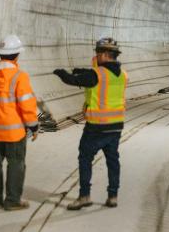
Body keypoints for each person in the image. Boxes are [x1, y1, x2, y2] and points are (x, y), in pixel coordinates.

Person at [53, 37, 127, 210]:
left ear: (104, 54)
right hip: (116, 125)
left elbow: (75, 80)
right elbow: (101, 76)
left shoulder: (96, 74)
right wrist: (83, 71)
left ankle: (84, 196)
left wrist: (62, 73)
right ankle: (113, 196)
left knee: (85, 158)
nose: (96, 55)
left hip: (96, 127)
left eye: (97, 52)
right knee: (113, 160)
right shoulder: (123, 74)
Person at [0, 35, 39, 211]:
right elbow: (27, 104)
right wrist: (33, 126)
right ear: (17, 54)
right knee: (16, 164)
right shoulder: (20, 76)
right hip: (15, 132)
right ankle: (12, 201)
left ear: (1, 54)